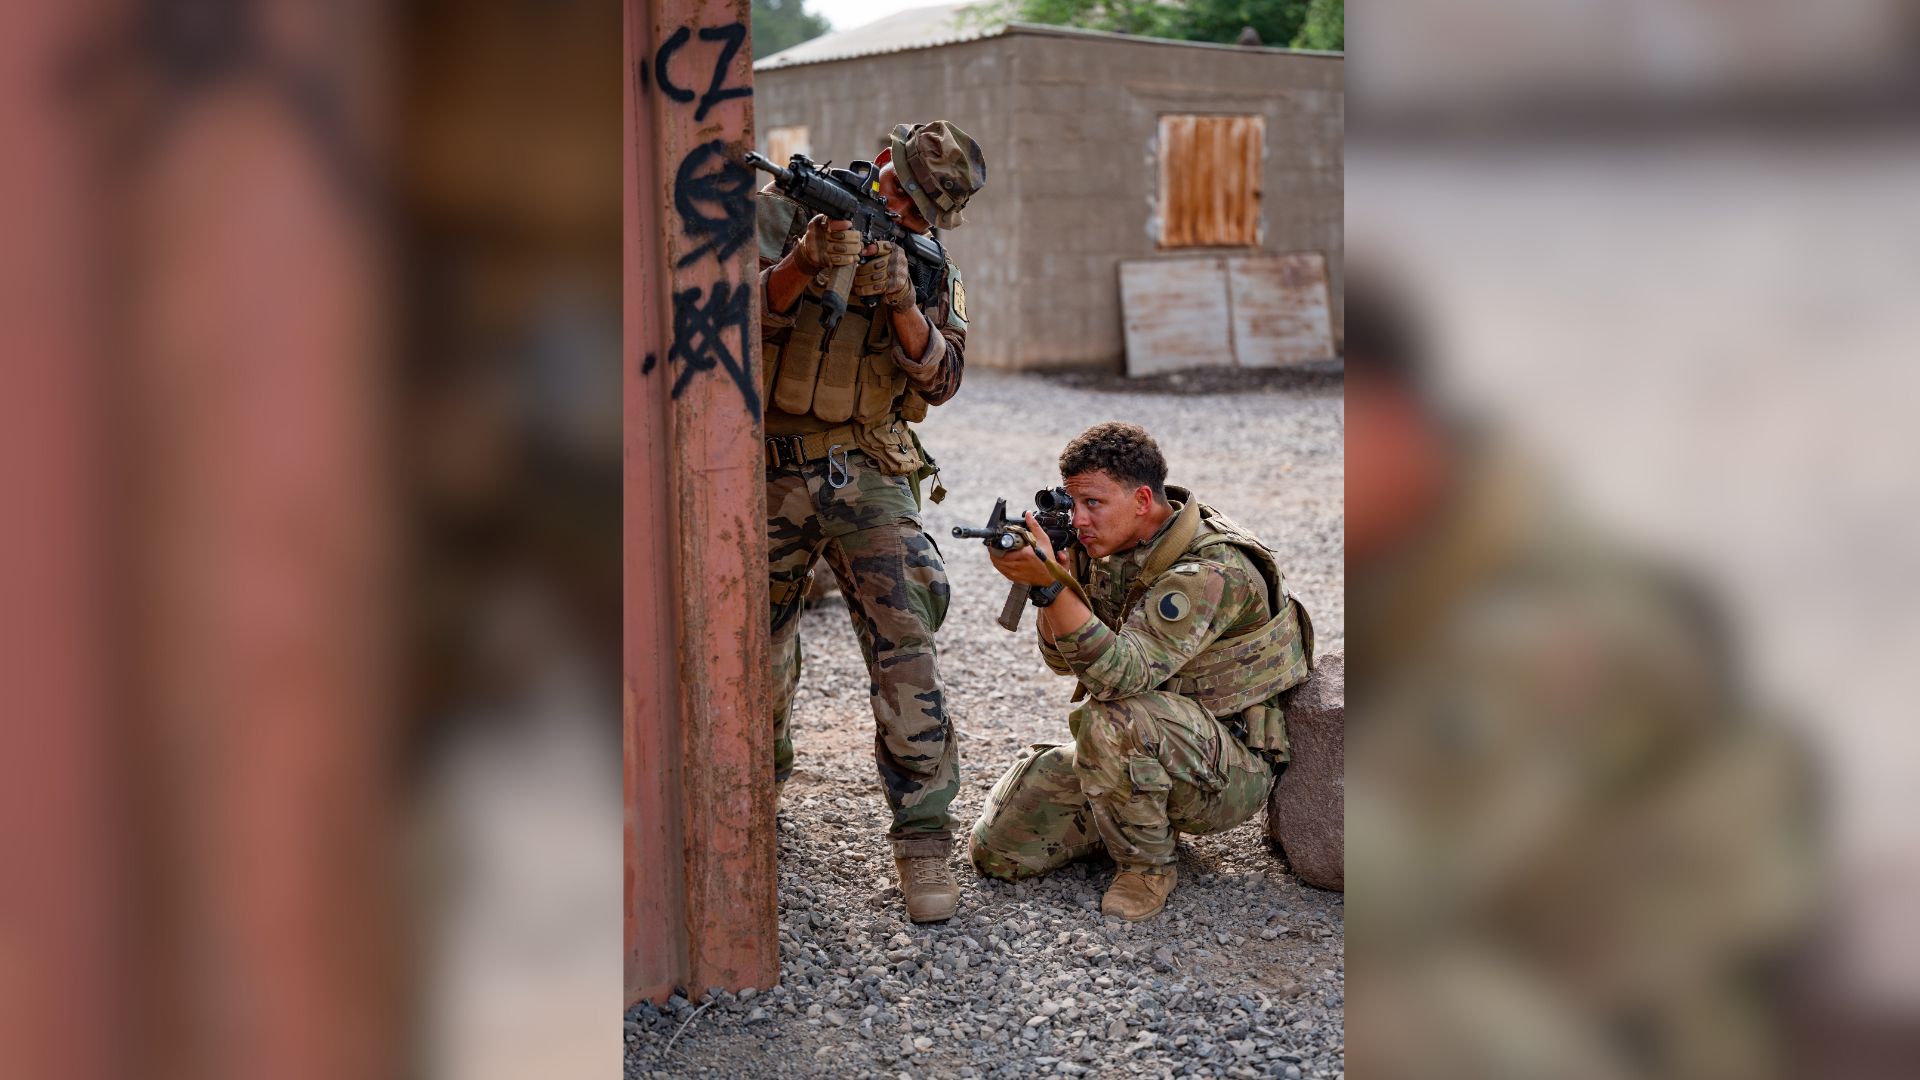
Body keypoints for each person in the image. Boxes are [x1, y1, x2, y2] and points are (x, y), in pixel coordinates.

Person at [756, 120, 986, 923]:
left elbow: (944, 376)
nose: (897, 209)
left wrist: (900, 307)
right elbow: (723, 327)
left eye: (916, 210)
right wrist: (801, 266)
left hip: (869, 461)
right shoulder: (786, 216)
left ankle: (922, 840)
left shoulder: (930, 269)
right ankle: (754, 793)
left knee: (906, 631)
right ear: (881, 163)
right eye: (894, 190)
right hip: (770, 460)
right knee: (751, 640)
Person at [969, 422, 1314, 920]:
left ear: (1142, 499)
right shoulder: (1105, 549)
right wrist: (1058, 577)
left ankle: (1147, 867)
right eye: (1072, 504)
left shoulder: (1211, 570)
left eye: (1093, 503)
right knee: (998, 853)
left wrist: (1050, 588)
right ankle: (1132, 806)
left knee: (1112, 716)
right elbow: (1062, 660)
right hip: (1152, 736)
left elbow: (1117, 679)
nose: (1079, 519)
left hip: (1227, 765)